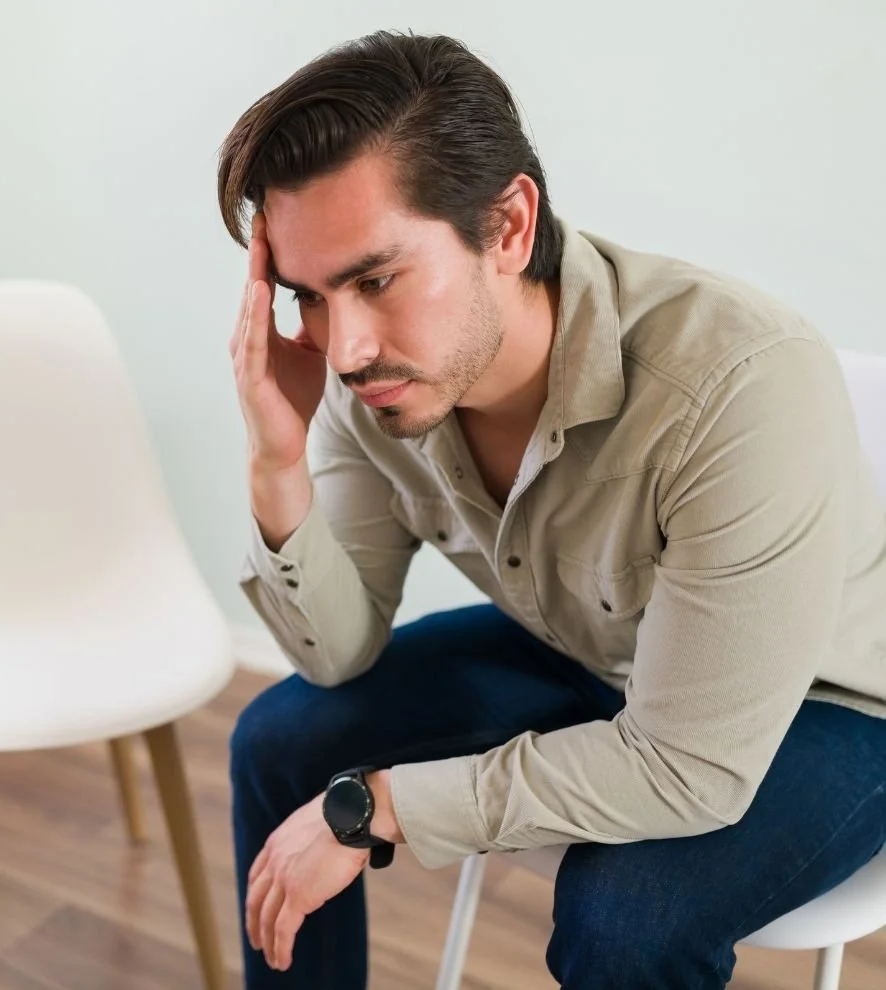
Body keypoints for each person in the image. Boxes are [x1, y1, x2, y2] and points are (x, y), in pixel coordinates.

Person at [217, 29, 886, 990]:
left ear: (510, 228)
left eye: (375, 279)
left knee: (627, 918)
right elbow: (337, 653)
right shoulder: (376, 385)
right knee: (278, 743)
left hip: (822, 704)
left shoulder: (743, 385)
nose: (346, 346)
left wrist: (382, 806)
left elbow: (686, 767)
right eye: (309, 297)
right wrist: (276, 463)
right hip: (587, 650)